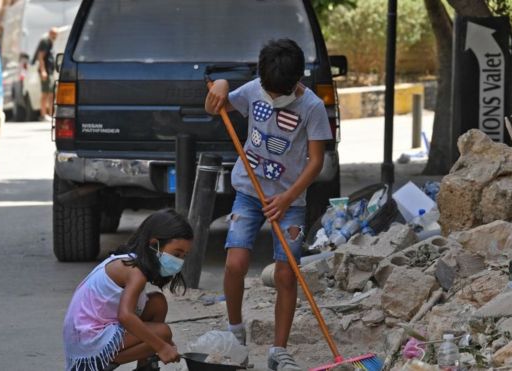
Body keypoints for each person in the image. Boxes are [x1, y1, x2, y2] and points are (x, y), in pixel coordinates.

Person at [205, 38, 332, 371]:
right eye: (270, 92)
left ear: (296, 82)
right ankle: (235, 332)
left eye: (281, 94)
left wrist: (287, 198)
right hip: (249, 191)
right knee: (235, 263)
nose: (274, 99)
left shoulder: (313, 108)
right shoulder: (253, 90)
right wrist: (220, 85)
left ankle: (279, 350)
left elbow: (316, 161)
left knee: (286, 275)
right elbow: (214, 107)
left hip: (290, 200)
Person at [62, 209, 193, 371]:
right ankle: (103, 362)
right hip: (87, 341)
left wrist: (158, 344)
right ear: (154, 245)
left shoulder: (131, 261)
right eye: (176, 254)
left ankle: (146, 367)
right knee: (163, 333)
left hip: (93, 332)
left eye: (183, 256)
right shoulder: (135, 271)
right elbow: (125, 316)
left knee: (157, 302)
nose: (179, 261)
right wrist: (161, 346)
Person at [36, 27, 57, 120]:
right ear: (50, 33)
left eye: (56, 34)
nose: (55, 36)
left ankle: (51, 114)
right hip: (46, 71)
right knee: (45, 93)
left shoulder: (51, 43)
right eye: (54, 34)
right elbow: (40, 57)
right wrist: (43, 71)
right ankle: (43, 115)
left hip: (50, 71)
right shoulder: (45, 42)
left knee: (52, 94)